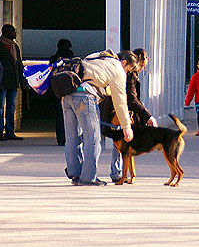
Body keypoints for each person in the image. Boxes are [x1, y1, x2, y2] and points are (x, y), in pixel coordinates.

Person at [62, 49, 135, 186]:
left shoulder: (97, 57)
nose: (126, 73)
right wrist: (126, 126)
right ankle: (88, 177)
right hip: (85, 97)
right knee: (93, 138)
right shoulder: (118, 69)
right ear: (124, 62)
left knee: (72, 136)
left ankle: (75, 173)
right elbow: (120, 101)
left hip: (68, 94)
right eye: (128, 70)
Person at [109, 47, 157, 182]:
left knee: (121, 143)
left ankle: (123, 172)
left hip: (123, 110)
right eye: (142, 66)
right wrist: (147, 115)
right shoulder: (129, 74)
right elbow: (132, 98)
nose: (142, 69)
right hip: (121, 111)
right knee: (121, 143)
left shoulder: (130, 73)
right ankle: (117, 172)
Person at [0, 24, 23, 141]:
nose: (15, 33)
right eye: (13, 31)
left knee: (11, 107)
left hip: (13, 82)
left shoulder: (15, 47)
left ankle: (10, 131)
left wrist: (21, 80)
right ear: (6, 32)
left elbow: (18, 64)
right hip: (2, 83)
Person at [49, 39, 75, 146]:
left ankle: (60, 139)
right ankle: (70, 138)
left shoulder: (53, 59)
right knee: (71, 116)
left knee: (59, 115)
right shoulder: (72, 58)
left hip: (57, 90)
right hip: (69, 90)